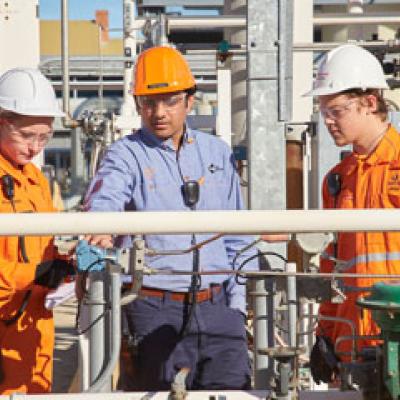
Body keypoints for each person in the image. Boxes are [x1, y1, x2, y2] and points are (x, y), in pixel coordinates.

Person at [83, 45, 258, 390]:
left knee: (232, 394)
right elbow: (106, 198)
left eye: (170, 101)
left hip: (219, 305)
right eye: (148, 102)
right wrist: (100, 225)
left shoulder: (217, 153)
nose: (158, 112)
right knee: (154, 394)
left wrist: (236, 305)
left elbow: (239, 232)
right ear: (137, 104)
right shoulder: (125, 155)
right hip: (152, 307)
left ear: (190, 101)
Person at [304, 44, 398, 385]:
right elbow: (335, 265)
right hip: (352, 339)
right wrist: (325, 333)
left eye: (337, 111)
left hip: (395, 335)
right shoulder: (338, 179)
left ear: (370, 103)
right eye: (323, 111)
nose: (328, 121)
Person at [0, 68, 74, 394]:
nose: (35, 148)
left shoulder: (34, 179)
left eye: (44, 138)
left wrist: (64, 262)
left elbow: (45, 243)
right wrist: (36, 274)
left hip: (33, 329)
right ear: (2, 122)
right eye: (27, 136)